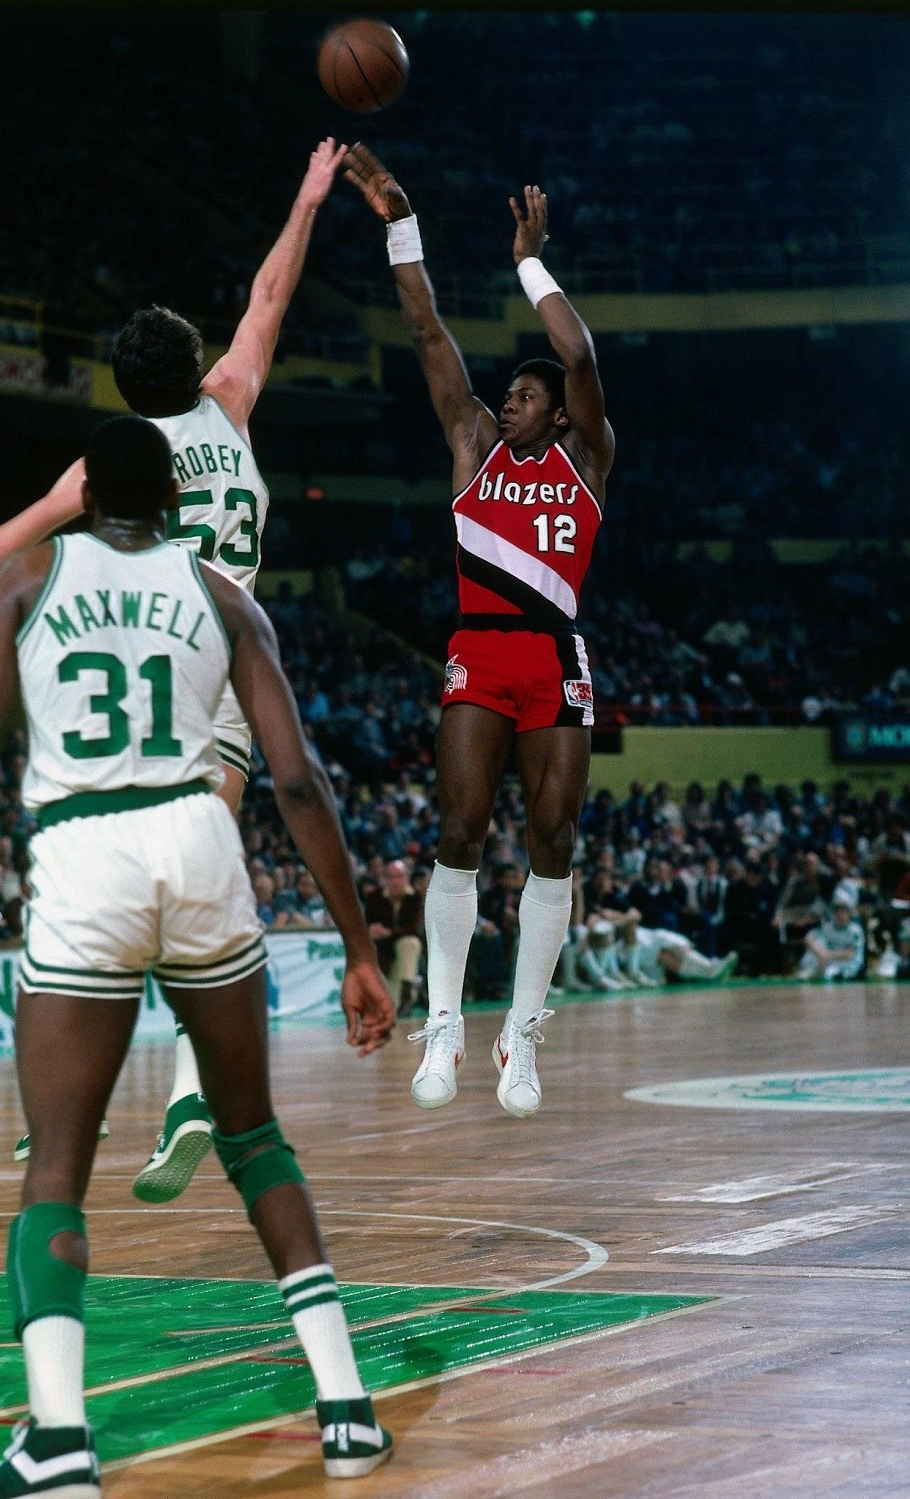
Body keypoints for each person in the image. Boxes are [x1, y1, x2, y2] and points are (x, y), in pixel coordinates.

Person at [0, 417, 395, 1495]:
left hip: (88, 850)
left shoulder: (27, 578)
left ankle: (59, 1440)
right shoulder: (226, 597)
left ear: (85, 494)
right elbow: (300, 779)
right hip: (197, 836)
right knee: (254, 1137)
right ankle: (347, 1410)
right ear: (175, 500)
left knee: (56, 1162)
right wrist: (359, 947)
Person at [0, 139, 349, 1203]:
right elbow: (269, 294)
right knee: (202, 898)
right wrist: (305, 198)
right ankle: (192, 1095)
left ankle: (65, 1104)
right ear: (195, 366)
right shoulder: (231, 399)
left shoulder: (110, 469)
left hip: (130, 654)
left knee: (90, 872)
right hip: (223, 661)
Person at [345, 145, 614, 1118]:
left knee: (554, 836)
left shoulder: (586, 459)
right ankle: (448, 1019)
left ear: (561, 416)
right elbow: (425, 330)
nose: (510, 401)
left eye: (527, 397)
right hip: (480, 648)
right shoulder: (473, 445)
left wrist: (528, 263)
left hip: (555, 653)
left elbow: (580, 357)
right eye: (508, 395)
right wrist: (401, 223)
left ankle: (522, 1031)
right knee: (457, 829)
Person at [363, 858, 424, 1016]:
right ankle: (414, 990)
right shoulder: (374, 897)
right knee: (389, 1005)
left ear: (407, 877)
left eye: (400, 876)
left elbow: (413, 929)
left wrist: (389, 932)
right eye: (391, 877)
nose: (396, 881)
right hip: (383, 952)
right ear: (384, 878)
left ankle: (407, 997)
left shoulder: (415, 896)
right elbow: (368, 925)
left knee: (410, 942)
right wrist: (372, 931)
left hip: (405, 950)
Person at [797, 888, 866, 980]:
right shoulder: (829, 928)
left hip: (850, 965)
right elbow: (809, 938)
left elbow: (849, 954)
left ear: (849, 912)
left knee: (832, 973)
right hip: (831, 962)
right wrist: (819, 953)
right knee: (819, 942)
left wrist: (826, 955)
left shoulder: (855, 930)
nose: (840, 914)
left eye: (843, 911)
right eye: (837, 911)